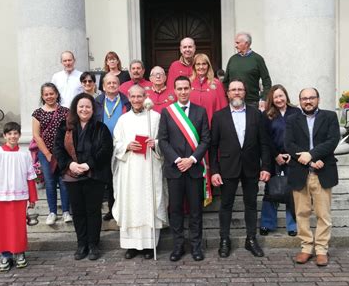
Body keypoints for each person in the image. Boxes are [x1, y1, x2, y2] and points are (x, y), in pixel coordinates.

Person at [210, 79, 271, 258]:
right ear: (227, 93)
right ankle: (224, 240)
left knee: (251, 204)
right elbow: (213, 146)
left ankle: (251, 239)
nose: (236, 93)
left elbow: (264, 143)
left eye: (240, 89)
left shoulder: (256, 115)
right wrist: (214, 171)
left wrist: (266, 166)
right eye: (233, 90)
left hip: (251, 167)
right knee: (226, 205)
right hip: (227, 167)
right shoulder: (219, 116)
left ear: (245, 92)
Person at [54, 93, 113, 261]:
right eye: (81, 106)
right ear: (75, 108)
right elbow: (58, 149)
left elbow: (105, 150)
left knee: (93, 212)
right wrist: (70, 164)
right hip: (72, 175)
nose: (84, 109)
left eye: (88, 106)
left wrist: (88, 165)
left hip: (94, 175)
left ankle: (93, 245)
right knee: (78, 212)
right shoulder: (65, 128)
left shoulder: (101, 128)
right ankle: (82, 245)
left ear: (93, 109)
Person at [285, 87, 340, 267]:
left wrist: (313, 155)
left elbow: (332, 141)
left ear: (318, 99)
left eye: (311, 98)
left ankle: (322, 249)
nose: (308, 101)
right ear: (299, 101)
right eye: (304, 99)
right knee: (301, 213)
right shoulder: (292, 119)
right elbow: (289, 144)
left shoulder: (330, 117)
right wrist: (309, 161)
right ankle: (306, 247)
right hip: (301, 172)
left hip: (322, 173)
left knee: (323, 214)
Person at [112, 85, 168, 260]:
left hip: (149, 167)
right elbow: (116, 143)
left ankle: (149, 246)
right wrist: (126, 146)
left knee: (149, 201)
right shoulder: (123, 120)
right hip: (129, 170)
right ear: (128, 97)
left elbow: (164, 141)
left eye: (140, 96)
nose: (136, 100)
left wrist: (155, 144)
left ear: (146, 97)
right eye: (133, 96)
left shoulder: (155, 117)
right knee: (131, 203)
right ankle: (131, 246)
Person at [158, 76, 210, 262]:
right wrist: (178, 159)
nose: (182, 92)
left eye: (186, 88)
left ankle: (196, 247)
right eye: (179, 88)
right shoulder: (167, 112)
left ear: (191, 89)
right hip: (175, 169)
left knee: (196, 211)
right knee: (176, 210)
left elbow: (206, 140)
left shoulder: (200, 112)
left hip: (194, 169)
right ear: (174, 90)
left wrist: (193, 159)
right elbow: (162, 140)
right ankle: (178, 246)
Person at [0, 122, 38, 272]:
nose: (13, 136)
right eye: (9, 134)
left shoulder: (25, 153)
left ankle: (19, 253)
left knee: (18, 227)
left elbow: (30, 177)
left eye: (15, 133)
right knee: (2, 228)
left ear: (19, 135)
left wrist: (32, 197)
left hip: (20, 196)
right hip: (1, 197)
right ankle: (5, 255)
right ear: (4, 135)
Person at [260, 84, 299, 237]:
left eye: (281, 95)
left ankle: (292, 225)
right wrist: (276, 155)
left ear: (286, 96)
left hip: (293, 158)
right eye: (275, 97)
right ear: (272, 99)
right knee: (271, 191)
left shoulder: (296, 112)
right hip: (273, 158)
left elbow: (300, 136)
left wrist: (292, 154)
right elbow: (266, 138)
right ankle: (267, 224)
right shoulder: (267, 115)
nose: (279, 99)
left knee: (291, 192)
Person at [32, 83, 71, 226]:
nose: (49, 96)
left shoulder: (65, 111)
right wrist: (47, 153)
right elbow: (37, 136)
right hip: (45, 153)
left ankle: (66, 211)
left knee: (64, 181)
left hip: (63, 153)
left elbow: (69, 132)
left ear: (57, 94)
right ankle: (52, 212)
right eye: (46, 94)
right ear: (42, 96)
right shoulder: (38, 113)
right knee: (50, 182)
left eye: (52, 93)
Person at [95, 73, 131, 221]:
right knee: (108, 180)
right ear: (103, 86)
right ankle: (111, 209)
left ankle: (124, 209)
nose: (111, 85)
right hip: (103, 145)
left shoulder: (126, 102)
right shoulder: (97, 102)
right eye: (108, 83)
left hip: (122, 145)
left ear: (119, 85)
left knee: (122, 179)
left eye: (114, 83)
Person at [223, 32, 271, 110]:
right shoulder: (232, 59)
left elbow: (267, 82)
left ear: (246, 43)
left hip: (252, 103)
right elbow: (225, 82)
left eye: (238, 43)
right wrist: (227, 97)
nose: (235, 45)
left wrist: (264, 99)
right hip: (234, 102)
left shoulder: (258, 59)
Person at [190, 53, 228, 125]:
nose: (201, 67)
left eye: (204, 64)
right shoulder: (188, 83)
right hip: (191, 127)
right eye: (198, 64)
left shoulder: (217, 84)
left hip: (211, 126)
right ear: (194, 66)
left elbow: (223, 107)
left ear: (208, 66)